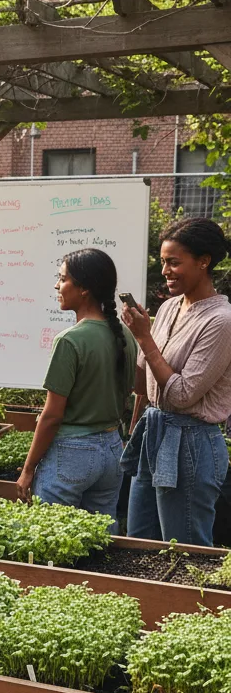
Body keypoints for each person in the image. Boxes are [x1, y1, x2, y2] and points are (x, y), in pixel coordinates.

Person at [121, 218, 231, 545]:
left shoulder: (221, 321)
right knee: (140, 542)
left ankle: (199, 599)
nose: (166, 270)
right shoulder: (168, 308)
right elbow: (144, 385)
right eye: (162, 262)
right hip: (155, 431)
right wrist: (134, 337)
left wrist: (145, 340)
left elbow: (182, 395)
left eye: (174, 262)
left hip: (192, 442)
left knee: (184, 549)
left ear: (204, 261)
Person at [16, 249, 137, 520]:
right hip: (111, 449)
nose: (57, 286)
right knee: (99, 543)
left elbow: (51, 416)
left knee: (52, 539)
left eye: (62, 279)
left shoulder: (69, 341)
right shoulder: (126, 336)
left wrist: (28, 469)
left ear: (84, 289)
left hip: (72, 453)